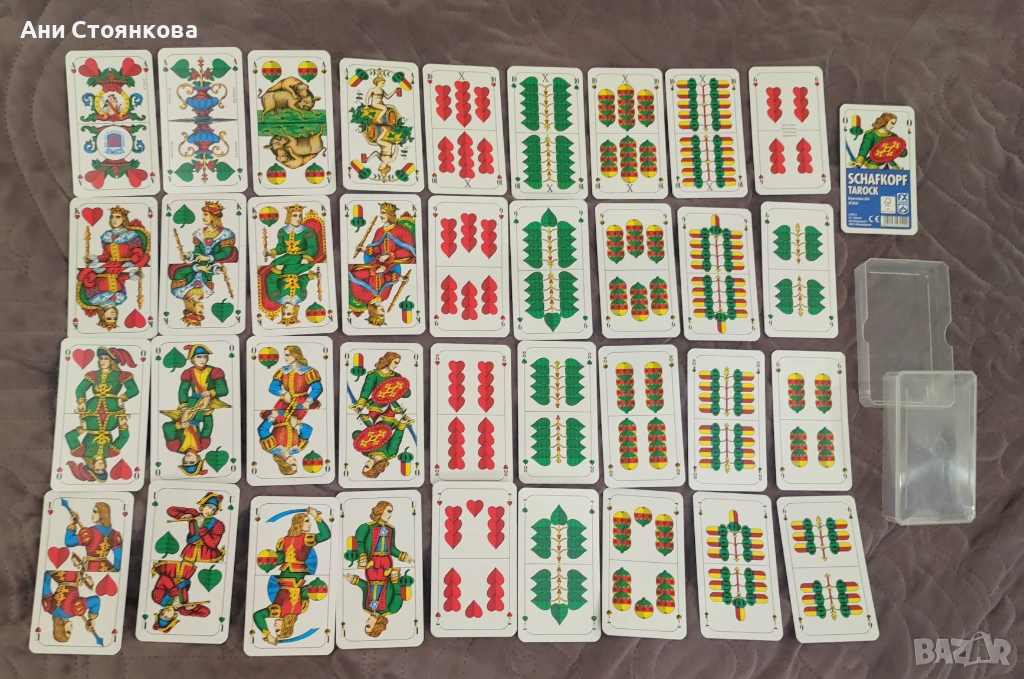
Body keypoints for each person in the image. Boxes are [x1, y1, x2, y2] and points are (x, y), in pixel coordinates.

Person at [252, 508, 331, 645]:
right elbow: (325, 535)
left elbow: (258, 615)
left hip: (288, 578)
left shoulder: (280, 612)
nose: (310, 524)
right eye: (307, 521)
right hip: (295, 578)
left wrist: (267, 634)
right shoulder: (295, 540)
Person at [65, 347, 139, 483]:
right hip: (103, 413)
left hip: (106, 410)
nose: (103, 361)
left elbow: (133, 389)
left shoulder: (81, 452)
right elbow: (124, 437)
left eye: (106, 358)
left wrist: (122, 397)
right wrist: (123, 426)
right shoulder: (111, 453)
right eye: (101, 359)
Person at [345, 501, 413, 638]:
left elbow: (366, 587)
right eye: (389, 511)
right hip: (374, 562)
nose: (390, 514)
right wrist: (363, 556)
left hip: (383, 564)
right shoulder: (392, 609)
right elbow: (359, 543)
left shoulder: (366, 608)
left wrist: (403, 556)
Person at [75, 206, 149, 330]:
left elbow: (138, 253)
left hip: (126, 263)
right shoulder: (107, 236)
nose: (114, 220)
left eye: (118, 217)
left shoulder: (131, 235)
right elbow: (106, 257)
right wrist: (95, 259)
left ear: (124, 219)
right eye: (112, 217)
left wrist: (128, 264)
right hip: (110, 266)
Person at [160, 345, 230, 476]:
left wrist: (211, 392)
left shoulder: (176, 447)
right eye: (199, 357)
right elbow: (207, 427)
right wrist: (185, 405)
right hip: (194, 405)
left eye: (204, 356)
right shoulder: (202, 445)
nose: (202, 360)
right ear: (198, 459)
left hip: (206, 402)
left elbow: (224, 390)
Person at [168, 201, 237, 327]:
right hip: (203, 263)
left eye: (205, 214)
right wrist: (190, 256)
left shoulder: (179, 292)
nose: (202, 217)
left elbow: (226, 253)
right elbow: (204, 267)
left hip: (207, 261)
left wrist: (203, 261)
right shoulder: (206, 292)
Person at [347, 202, 416, 327]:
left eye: (383, 213)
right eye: (380, 212)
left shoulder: (402, 231)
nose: (380, 215)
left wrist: (388, 257)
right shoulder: (385, 297)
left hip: (391, 262)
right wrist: (365, 249)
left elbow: (409, 252)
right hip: (384, 266)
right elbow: (387, 277)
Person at [258, 345, 322, 475]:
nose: (285, 358)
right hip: (285, 403)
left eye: (287, 355)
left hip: (298, 405)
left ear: (296, 355)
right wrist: (297, 425)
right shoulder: (298, 448)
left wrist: (308, 401)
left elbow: (317, 388)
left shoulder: (270, 447)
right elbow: (273, 387)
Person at [350, 352, 414, 478]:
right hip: (379, 409)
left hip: (383, 412)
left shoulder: (366, 452)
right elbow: (396, 438)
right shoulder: (390, 454)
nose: (396, 366)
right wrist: (361, 404)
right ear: (388, 361)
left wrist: (404, 391)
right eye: (395, 362)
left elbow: (357, 434)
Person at [258, 204, 322, 326]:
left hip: (295, 263)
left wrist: (306, 256)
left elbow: (313, 247)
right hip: (292, 264)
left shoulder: (275, 297)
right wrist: (271, 252)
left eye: (299, 215)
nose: (298, 218)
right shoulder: (302, 297)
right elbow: (302, 280)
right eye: (295, 215)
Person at [40, 570, 101, 643]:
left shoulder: (73, 611)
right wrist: (50, 572)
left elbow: (96, 600)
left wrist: (92, 618)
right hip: (57, 574)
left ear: (61, 629)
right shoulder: (49, 609)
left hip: (74, 573)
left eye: (68, 631)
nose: (71, 629)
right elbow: (45, 583)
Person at [64, 502, 122, 572]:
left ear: (102, 514)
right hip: (107, 568)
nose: (92, 514)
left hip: (91, 569)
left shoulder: (89, 532)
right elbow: (119, 557)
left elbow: (68, 542)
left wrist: (72, 524)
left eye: (95, 512)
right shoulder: (114, 534)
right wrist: (115, 570)